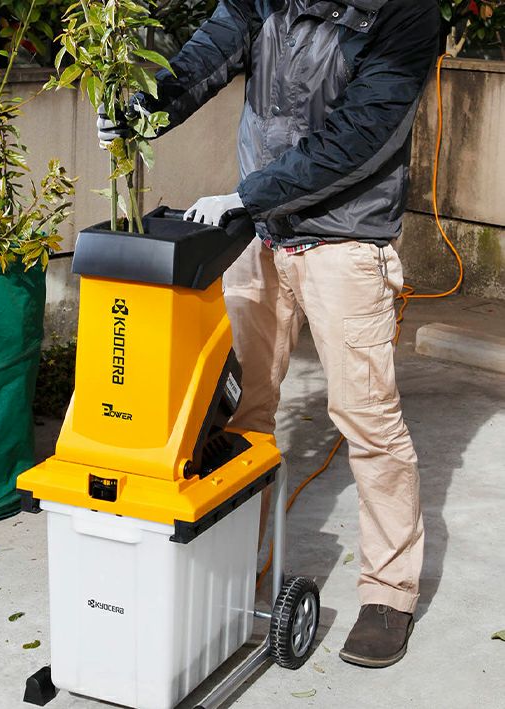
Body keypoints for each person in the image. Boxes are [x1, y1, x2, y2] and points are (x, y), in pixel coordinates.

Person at [98, 0, 439, 668]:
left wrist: (248, 195)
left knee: (366, 419)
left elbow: (361, 135)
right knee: (240, 411)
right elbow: (206, 56)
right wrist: (144, 111)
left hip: (344, 241)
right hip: (260, 234)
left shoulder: (406, 12)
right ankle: (234, 562)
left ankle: (388, 592)